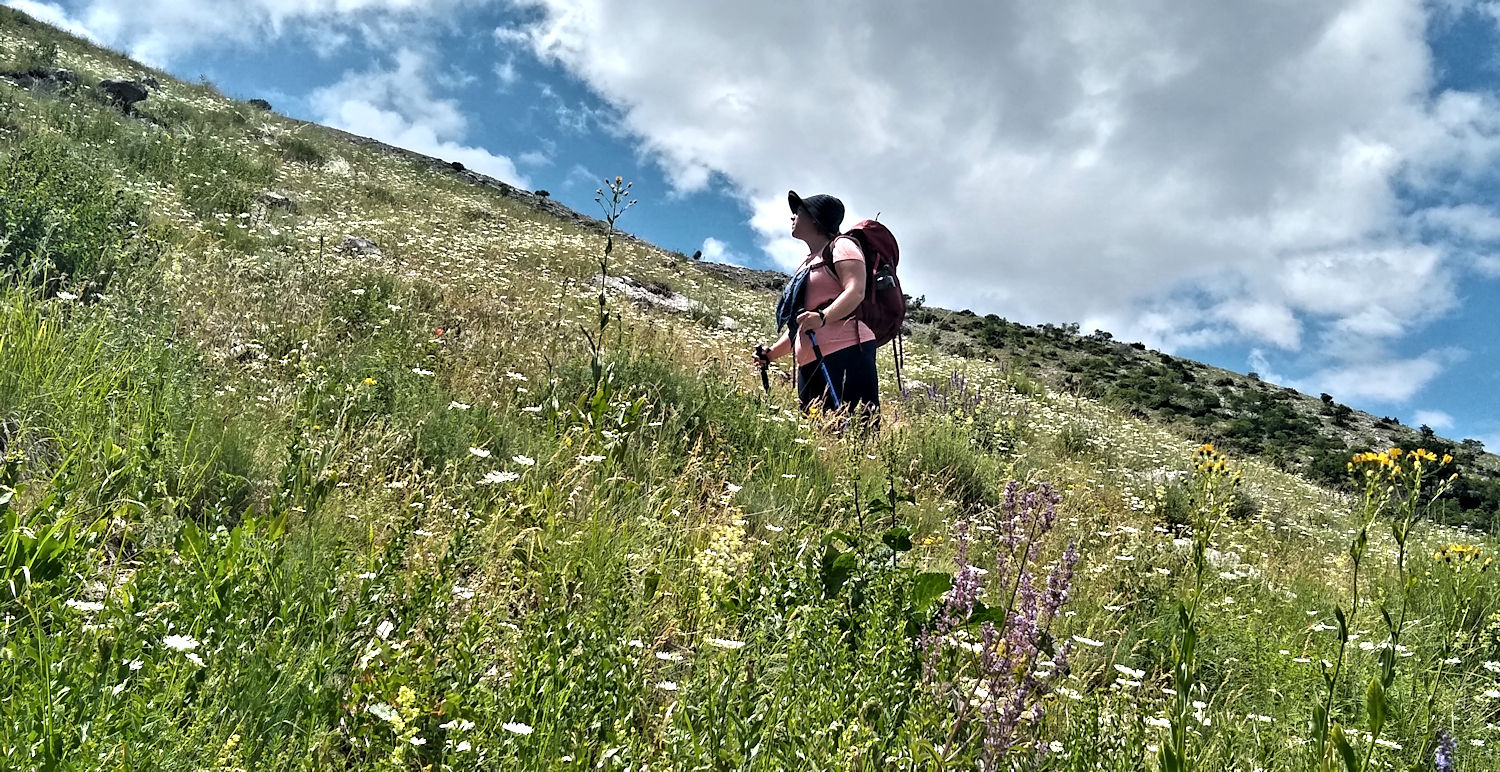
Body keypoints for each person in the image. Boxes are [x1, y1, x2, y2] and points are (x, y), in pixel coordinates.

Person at [753, 190, 880, 421]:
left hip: (847, 351)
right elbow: (800, 325)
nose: (792, 216)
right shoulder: (807, 263)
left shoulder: (842, 246)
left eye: (798, 211)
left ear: (814, 217)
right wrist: (771, 355)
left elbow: (856, 291)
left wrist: (822, 317)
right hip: (811, 361)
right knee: (820, 438)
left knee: (858, 436)